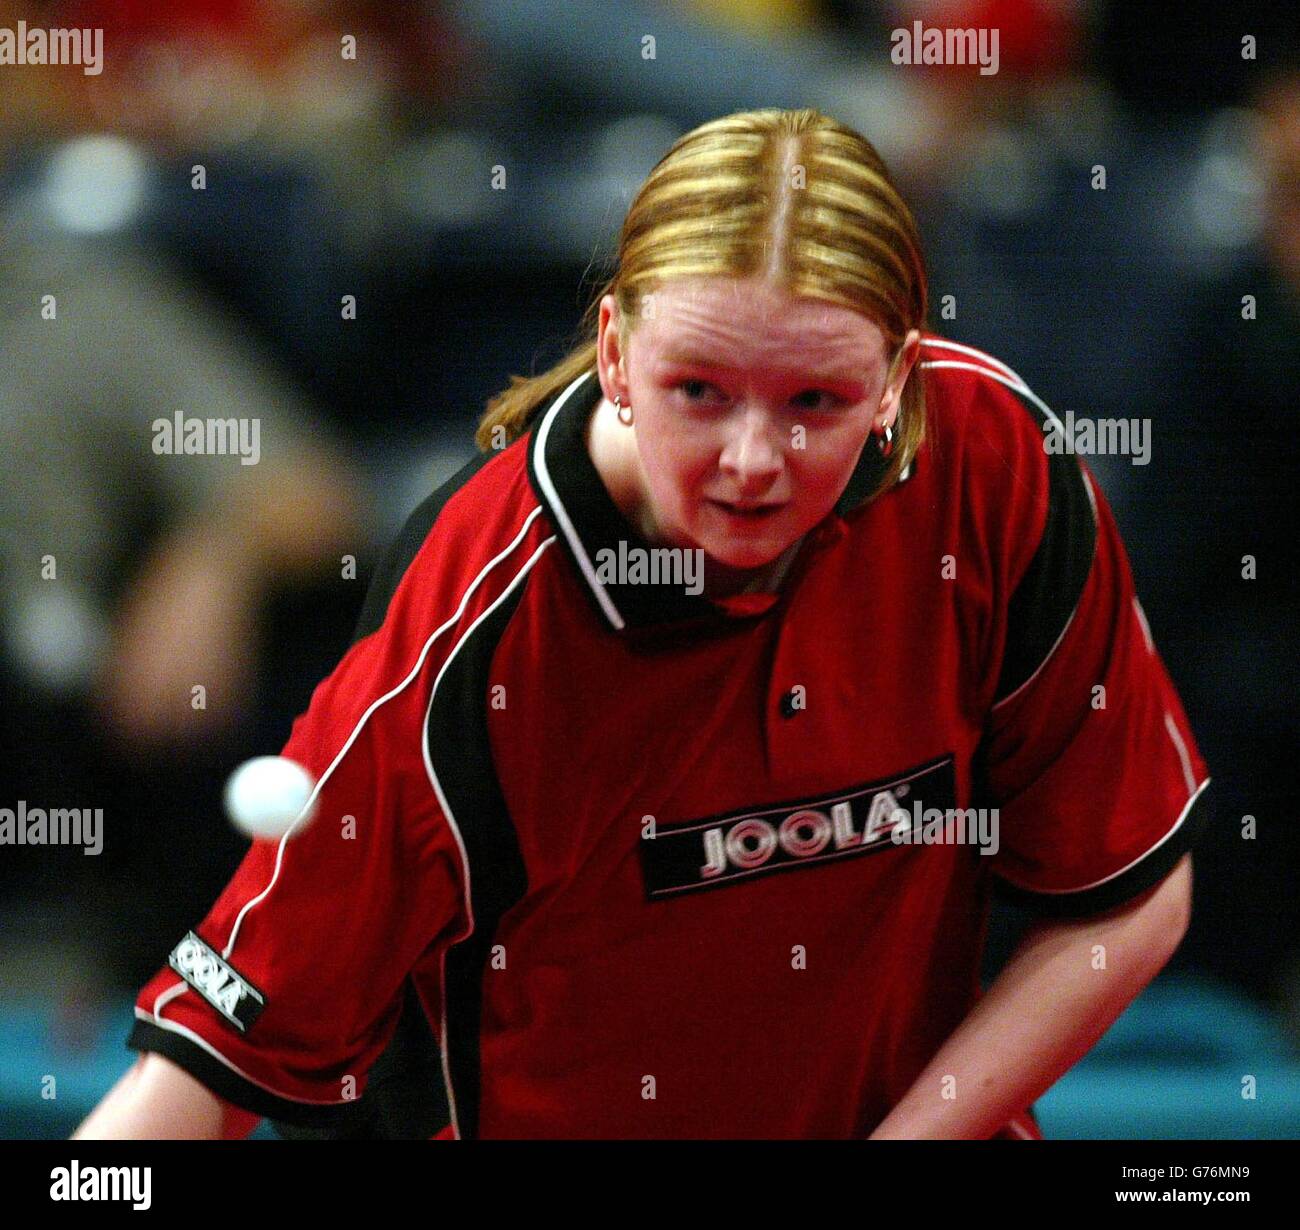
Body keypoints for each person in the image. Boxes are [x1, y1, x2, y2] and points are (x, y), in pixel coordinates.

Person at [74, 108, 1211, 1141]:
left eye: (814, 401)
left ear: (895, 381)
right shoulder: (474, 628)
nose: (753, 464)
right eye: (698, 392)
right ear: (615, 351)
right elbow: (207, 1073)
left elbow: (1129, 893)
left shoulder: (991, 464)